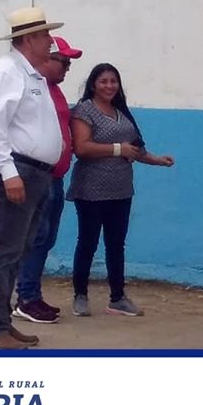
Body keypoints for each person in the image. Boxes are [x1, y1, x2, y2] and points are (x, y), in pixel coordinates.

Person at [0, 6, 64, 349]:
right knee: (4, 251)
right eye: (45, 36)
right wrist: (7, 171)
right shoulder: (6, 72)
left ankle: (3, 321)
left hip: (35, 174)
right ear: (29, 39)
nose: (50, 41)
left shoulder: (31, 75)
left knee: (18, 250)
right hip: (18, 170)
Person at [66, 63, 175, 317]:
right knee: (88, 242)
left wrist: (158, 160)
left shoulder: (121, 112)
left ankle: (117, 298)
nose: (109, 86)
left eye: (113, 81)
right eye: (103, 81)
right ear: (93, 84)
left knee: (116, 244)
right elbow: (82, 148)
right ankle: (80, 296)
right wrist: (118, 149)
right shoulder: (84, 110)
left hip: (121, 189)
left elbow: (135, 149)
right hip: (91, 189)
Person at [12, 36, 83, 324]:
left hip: (54, 177)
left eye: (69, 64)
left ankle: (32, 294)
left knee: (46, 238)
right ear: (47, 59)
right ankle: (26, 298)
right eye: (63, 62)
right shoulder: (31, 88)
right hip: (36, 176)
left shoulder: (53, 90)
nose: (67, 68)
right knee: (34, 238)